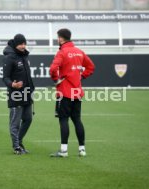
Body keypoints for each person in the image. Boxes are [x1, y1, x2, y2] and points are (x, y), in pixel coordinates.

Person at [49, 28, 95, 158]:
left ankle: (63, 151)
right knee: (77, 120)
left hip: (64, 92)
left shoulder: (62, 52)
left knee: (63, 120)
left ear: (61, 38)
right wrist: (82, 76)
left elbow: (53, 69)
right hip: (77, 92)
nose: (57, 40)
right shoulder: (79, 52)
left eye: (58, 37)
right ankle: (82, 150)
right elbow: (91, 67)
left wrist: (55, 80)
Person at [2, 34, 35, 155]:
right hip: (15, 95)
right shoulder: (9, 57)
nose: (23, 46)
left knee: (28, 119)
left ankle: (19, 142)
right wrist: (13, 85)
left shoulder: (25, 56)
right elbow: (5, 77)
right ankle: (16, 147)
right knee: (15, 122)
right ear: (16, 44)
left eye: (24, 43)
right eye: (21, 44)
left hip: (27, 93)